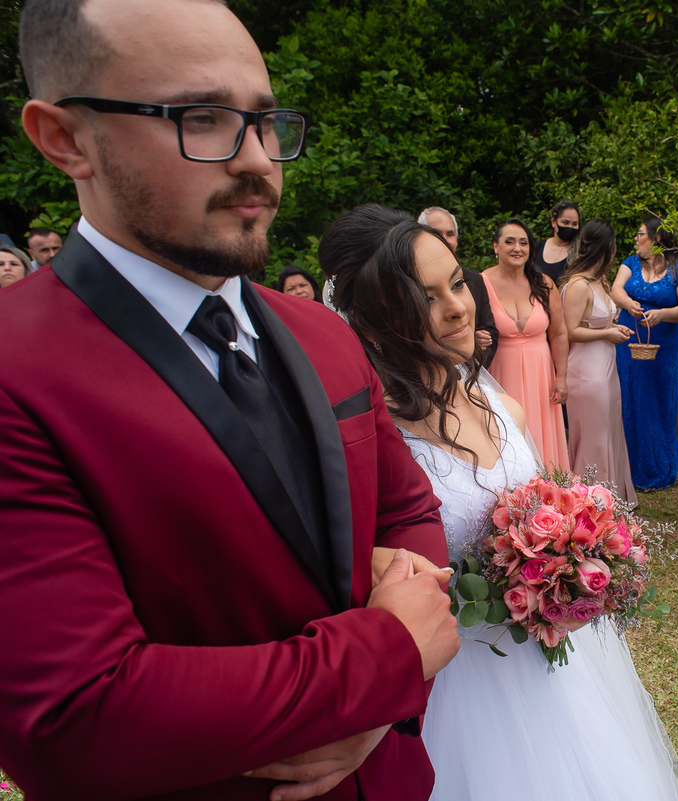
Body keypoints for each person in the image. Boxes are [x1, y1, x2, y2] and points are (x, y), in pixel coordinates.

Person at [0, 2, 461, 799]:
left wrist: (387, 701)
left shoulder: (323, 333)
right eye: (201, 118)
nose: (257, 161)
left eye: (265, 121)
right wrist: (381, 665)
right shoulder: (16, 371)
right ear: (64, 138)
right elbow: (76, 717)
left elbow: (406, 508)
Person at [320, 204, 678, 801]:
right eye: (425, 298)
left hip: (541, 659)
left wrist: (573, 555)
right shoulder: (373, 441)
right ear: (375, 320)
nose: (457, 307)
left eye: (455, 284)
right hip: (457, 683)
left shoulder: (502, 405)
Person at [612, 215, 678, 490]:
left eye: (641, 234)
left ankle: (657, 468)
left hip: (662, 345)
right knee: (628, 395)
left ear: (656, 238)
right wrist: (628, 304)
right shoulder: (631, 263)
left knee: (657, 399)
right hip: (628, 340)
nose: (636, 239)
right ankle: (626, 467)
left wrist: (663, 314)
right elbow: (616, 289)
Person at [482, 218, 570, 468]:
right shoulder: (480, 283)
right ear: (496, 246)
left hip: (541, 376)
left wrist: (561, 377)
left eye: (523, 243)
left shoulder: (544, 284)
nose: (517, 248)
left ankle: (547, 490)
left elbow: (559, 333)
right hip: (501, 374)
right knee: (508, 433)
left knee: (542, 441)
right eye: (509, 242)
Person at [560, 219, 637, 502]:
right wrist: (607, 333)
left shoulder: (600, 281)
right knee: (593, 436)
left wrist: (613, 329)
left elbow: (595, 322)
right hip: (586, 372)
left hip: (606, 368)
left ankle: (610, 497)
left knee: (609, 430)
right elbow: (569, 331)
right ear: (608, 248)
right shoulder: (578, 286)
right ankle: (589, 501)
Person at [418, 205, 499, 369]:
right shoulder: (411, 281)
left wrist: (472, 347)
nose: (445, 240)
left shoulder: (475, 279)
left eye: (450, 234)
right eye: (436, 233)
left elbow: (490, 333)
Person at [531, 199, 580, 283]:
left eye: (574, 224)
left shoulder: (580, 252)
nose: (570, 227)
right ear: (553, 222)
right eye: (566, 223)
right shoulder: (537, 248)